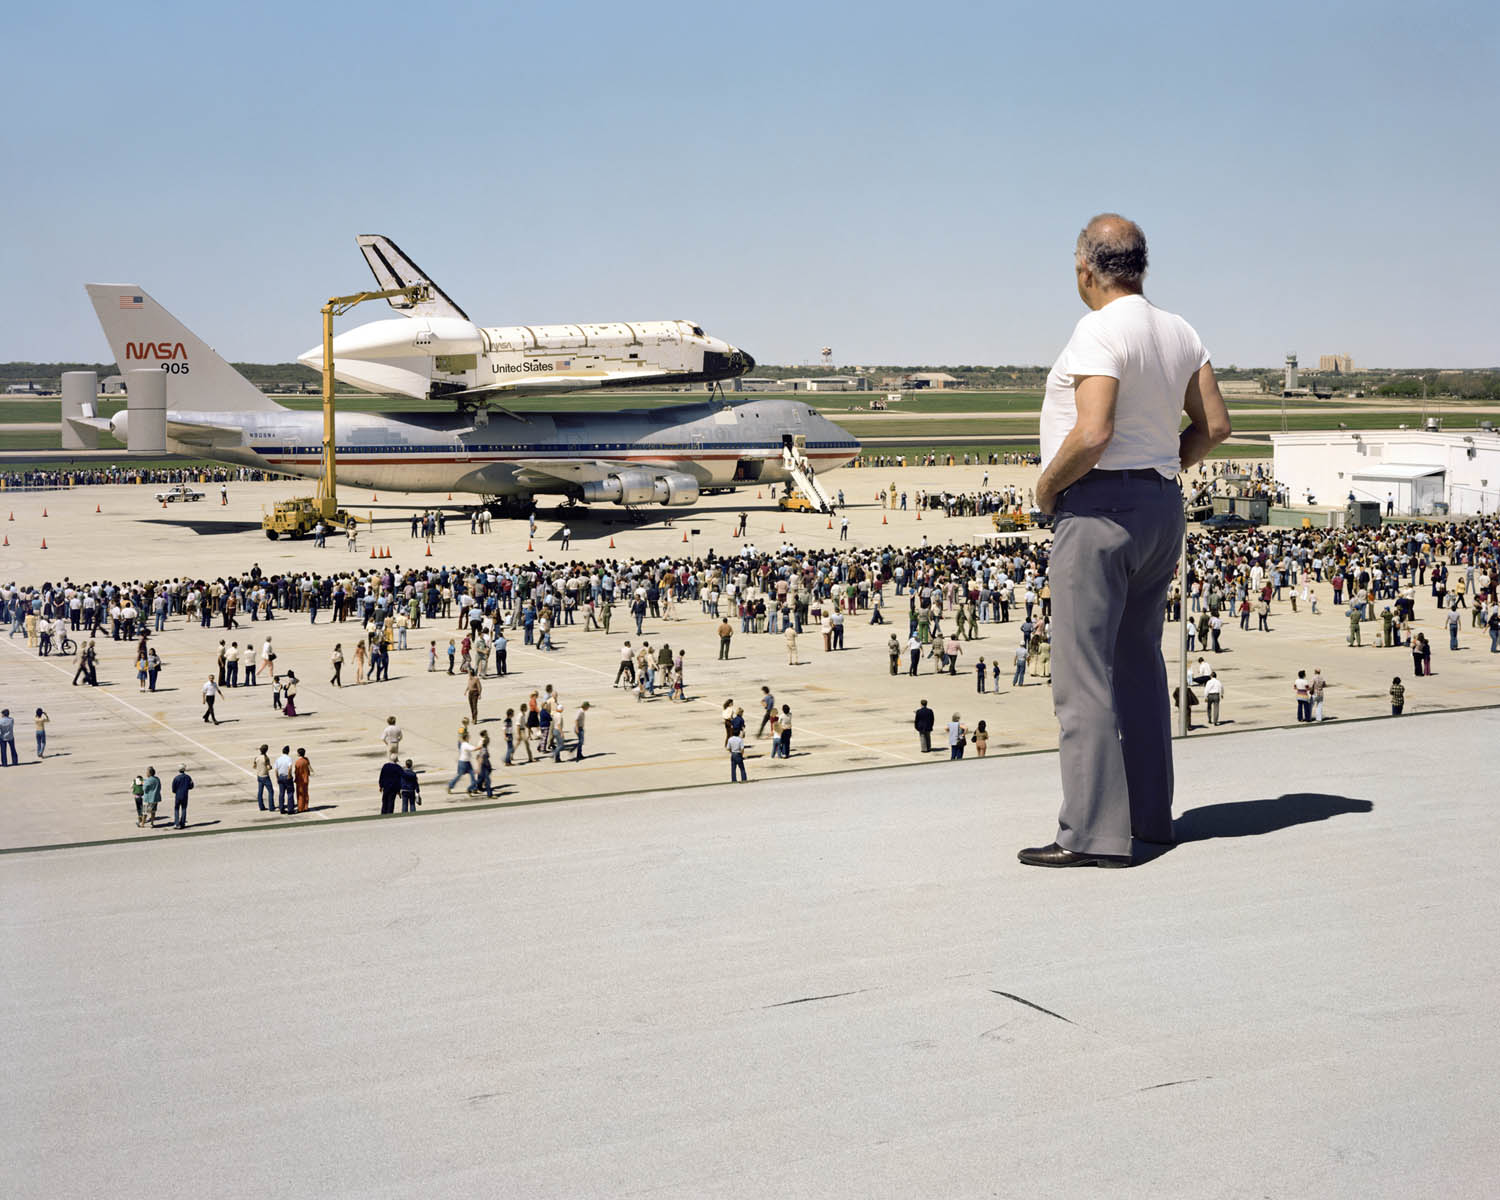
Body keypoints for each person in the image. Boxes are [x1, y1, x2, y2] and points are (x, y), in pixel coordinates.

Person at [1021, 214, 1230, 869]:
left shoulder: (1099, 328)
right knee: (1140, 666)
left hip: (1100, 506)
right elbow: (1216, 425)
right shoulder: (1179, 329)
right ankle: (1150, 819)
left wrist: (1046, 490)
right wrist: (1164, 467)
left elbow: (1092, 432)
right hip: (1161, 505)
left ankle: (1089, 834)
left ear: (1087, 271)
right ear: (1141, 266)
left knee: (1083, 677)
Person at [170, 764, 194, 829]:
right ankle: (182, 823)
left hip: (178, 795)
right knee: (184, 809)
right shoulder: (188, 777)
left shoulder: (176, 778)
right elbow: (191, 786)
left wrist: (176, 791)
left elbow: (173, 789)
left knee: (176, 809)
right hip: (185, 795)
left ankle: (177, 823)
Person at [252, 743, 274, 811]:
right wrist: (270, 767)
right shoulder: (266, 758)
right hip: (265, 776)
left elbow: (254, 766)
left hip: (259, 776)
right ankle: (271, 807)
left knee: (260, 792)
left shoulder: (256, 757)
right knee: (271, 792)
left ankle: (261, 806)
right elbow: (268, 767)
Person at [274, 745, 295, 813]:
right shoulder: (289, 758)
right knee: (290, 793)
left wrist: (277, 778)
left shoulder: (278, 759)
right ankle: (290, 809)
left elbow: (276, 769)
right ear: (288, 752)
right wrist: (289, 775)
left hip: (280, 777)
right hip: (287, 777)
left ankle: (281, 808)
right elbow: (290, 767)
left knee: (281, 793)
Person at [293, 748, 311, 812]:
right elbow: (309, 768)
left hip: (300, 780)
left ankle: (300, 808)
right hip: (306, 779)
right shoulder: (306, 759)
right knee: (306, 793)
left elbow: (296, 772)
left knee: (300, 794)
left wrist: (295, 779)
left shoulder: (298, 762)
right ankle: (306, 807)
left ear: (298, 753)